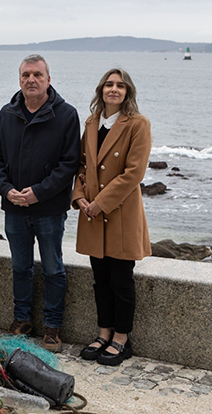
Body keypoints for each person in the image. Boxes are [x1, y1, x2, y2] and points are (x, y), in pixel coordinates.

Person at [0, 54, 80, 352]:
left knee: (53, 268)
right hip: (14, 207)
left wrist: (38, 192)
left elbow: (69, 165)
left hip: (49, 209)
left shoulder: (66, 115)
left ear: (48, 79)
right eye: (26, 75)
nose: (31, 80)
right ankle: (22, 320)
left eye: (37, 75)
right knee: (20, 267)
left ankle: (53, 327)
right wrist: (7, 189)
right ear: (19, 80)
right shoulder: (6, 114)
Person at [74, 68, 151, 366]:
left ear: (127, 92)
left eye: (120, 86)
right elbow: (81, 166)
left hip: (120, 215)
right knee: (100, 278)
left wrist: (100, 203)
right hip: (92, 213)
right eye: (109, 85)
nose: (114, 90)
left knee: (121, 279)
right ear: (101, 90)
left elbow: (134, 173)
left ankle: (122, 338)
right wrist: (79, 197)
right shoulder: (92, 122)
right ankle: (103, 332)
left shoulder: (138, 124)